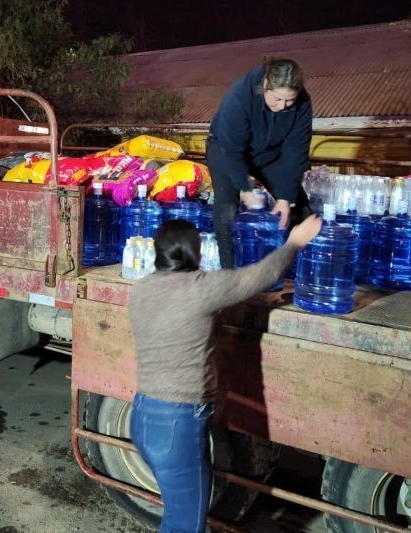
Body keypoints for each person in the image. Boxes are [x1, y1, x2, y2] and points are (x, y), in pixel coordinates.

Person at [128, 215, 323, 533]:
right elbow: (261, 275)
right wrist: (296, 241)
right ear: (196, 252)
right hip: (177, 423)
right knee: (185, 525)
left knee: (180, 515)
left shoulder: (142, 289)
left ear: (158, 251)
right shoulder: (200, 288)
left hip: (144, 415)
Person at [206, 58, 313, 269]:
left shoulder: (302, 103)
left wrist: (285, 198)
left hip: (269, 153)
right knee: (227, 206)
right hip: (226, 148)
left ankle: (298, 267)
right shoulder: (240, 97)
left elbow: (295, 152)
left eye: (289, 101)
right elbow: (232, 150)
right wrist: (244, 187)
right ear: (265, 85)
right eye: (278, 99)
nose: (283, 106)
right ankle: (230, 275)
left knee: (300, 208)